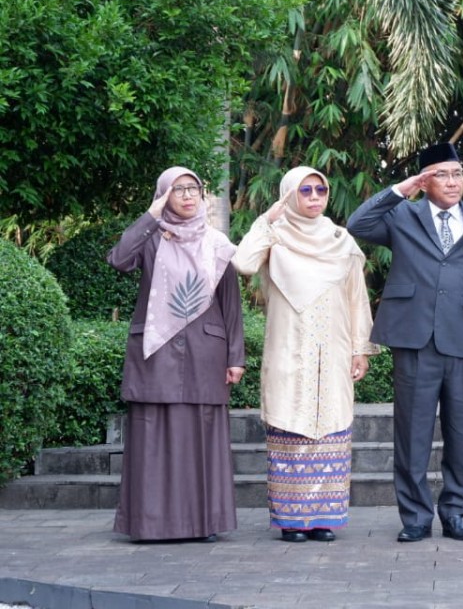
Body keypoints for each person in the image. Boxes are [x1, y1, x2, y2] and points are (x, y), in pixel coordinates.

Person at [347, 143, 463, 543]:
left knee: (460, 431)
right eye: (442, 175)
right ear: (424, 179)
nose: (452, 182)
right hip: (414, 338)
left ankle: (456, 512)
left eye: (457, 174)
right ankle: (415, 516)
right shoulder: (403, 216)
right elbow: (358, 224)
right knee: (412, 432)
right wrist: (402, 189)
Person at [233, 166, 376, 543]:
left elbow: (357, 300)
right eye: (305, 191)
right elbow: (242, 262)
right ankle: (291, 521)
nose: (314, 198)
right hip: (289, 348)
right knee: (290, 427)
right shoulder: (275, 236)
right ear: (288, 195)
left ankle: (323, 520)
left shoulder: (340, 239)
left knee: (330, 429)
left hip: (334, 349)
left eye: (320, 190)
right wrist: (267, 219)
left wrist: (361, 349)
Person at [107, 166, 244, 543]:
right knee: (152, 435)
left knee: (202, 439)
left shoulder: (216, 244)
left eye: (193, 189)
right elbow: (119, 258)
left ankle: (203, 523)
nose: (186, 195)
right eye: (176, 189)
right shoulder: (151, 238)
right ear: (162, 194)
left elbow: (230, 304)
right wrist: (151, 215)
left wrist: (236, 356)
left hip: (206, 353)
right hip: (156, 351)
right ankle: (150, 524)